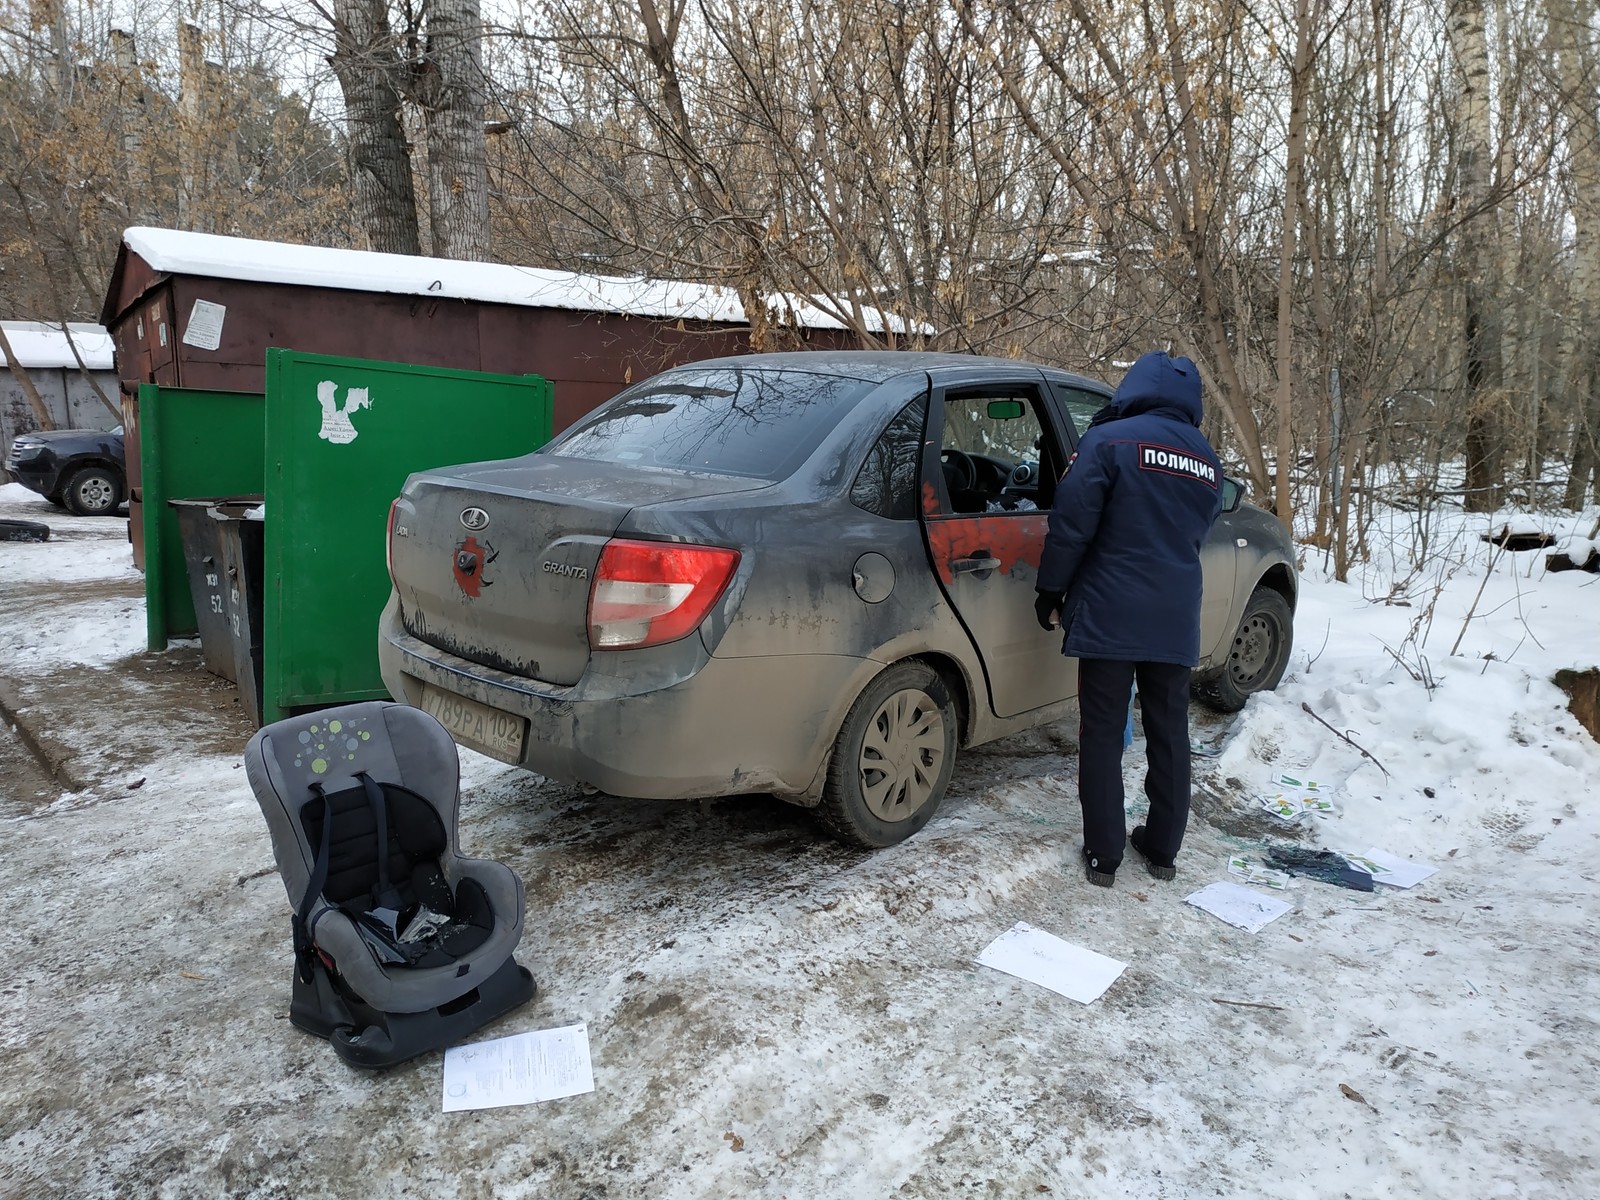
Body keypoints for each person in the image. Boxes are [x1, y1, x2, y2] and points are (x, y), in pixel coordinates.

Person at [1034, 351, 1223, 887]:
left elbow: (1071, 525)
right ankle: (1162, 848)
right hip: (1175, 615)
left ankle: (1104, 854)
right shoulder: (1206, 458)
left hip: (1110, 612)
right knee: (1168, 731)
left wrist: (1051, 589)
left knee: (1101, 731)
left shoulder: (1108, 441)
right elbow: (1197, 529)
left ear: (1133, 386)